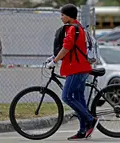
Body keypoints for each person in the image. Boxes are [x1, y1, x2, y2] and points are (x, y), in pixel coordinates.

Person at [46, 3, 99, 140]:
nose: (61, 17)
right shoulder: (78, 27)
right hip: (80, 67)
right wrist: (54, 57)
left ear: (69, 16)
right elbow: (71, 49)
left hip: (76, 68)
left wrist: (55, 61)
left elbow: (66, 48)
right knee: (79, 99)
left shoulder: (72, 29)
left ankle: (90, 120)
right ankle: (82, 130)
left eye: (62, 15)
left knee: (67, 97)